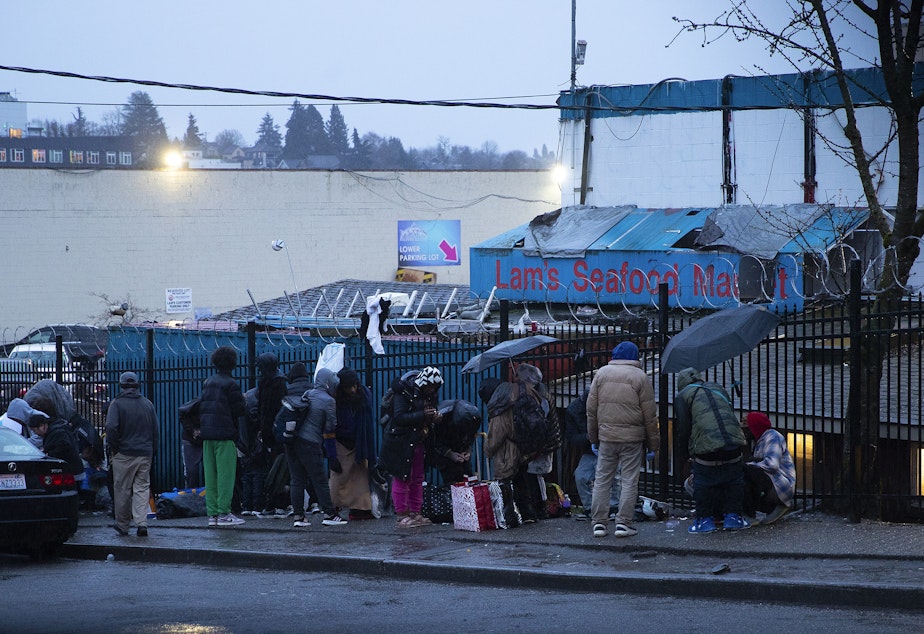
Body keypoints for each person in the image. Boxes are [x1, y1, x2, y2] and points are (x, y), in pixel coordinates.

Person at [586, 341, 659, 538]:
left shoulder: (601, 374)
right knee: (629, 480)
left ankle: (599, 524)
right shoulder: (641, 377)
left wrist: (594, 438)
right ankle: (623, 523)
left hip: (607, 437)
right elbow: (650, 415)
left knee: (602, 480)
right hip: (632, 439)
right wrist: (653, 445)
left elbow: (591, 410)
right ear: (636, 356)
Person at [673, 367, 749, 534]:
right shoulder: (718, 389)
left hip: (706, 447)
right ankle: (733, 517)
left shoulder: (682, 397)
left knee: (703, 483)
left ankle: (705, 521)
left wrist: (685, 453)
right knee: (733, 480)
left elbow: (684, 428)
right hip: (734, 442)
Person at [484, 364, 557, 524]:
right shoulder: (533, 394)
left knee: (505, 482)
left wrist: (488, 450)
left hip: (507, 452)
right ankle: (528, 514)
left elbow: (495, 438)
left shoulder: (502, 407)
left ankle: (509, 518)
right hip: (525, 448)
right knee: (522, 481)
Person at [377, 366, 443, 528]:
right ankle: (402, 515)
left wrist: (435, 417)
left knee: (418, 478)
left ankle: (415, 512)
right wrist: (423, 415)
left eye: (435, 387)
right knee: (402, 477)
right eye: (430, 386)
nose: (432, 390)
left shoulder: (429, 395)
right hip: (401, 442)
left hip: (419, 440)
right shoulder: (403, 392)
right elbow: (399, 417)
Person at [285, 367, 348, 528]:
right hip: (311, 443)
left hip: (293, 441)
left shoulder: (308, 394)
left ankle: (299, 517)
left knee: (297, 479)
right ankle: (329, 514)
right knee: (319, 479)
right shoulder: (329, 401)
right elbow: (330, 426)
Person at [199, 346, 248, 527]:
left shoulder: (207, 382)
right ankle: (224, 513)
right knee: (226, 476)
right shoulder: (231, 384)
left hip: (207, 434)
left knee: (211, 476)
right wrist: (244, 400)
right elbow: (239, 410)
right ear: (233, 363)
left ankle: (212, 514)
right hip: (225, 434)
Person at [105, 371, 158, 537]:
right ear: (137, 385)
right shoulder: (147, 404)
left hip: (124, 453)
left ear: (121, 385)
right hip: (145, 453)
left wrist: (115, 448)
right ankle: (142, 523)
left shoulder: (117, 404)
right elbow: (155, 431)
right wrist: (152, 450)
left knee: (123, 489)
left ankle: (123, 525)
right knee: (142, 488)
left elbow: (111, 428)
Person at [564, 389, 620, 520]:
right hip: (592, 449)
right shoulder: (574, 410)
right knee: (581, 476)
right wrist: (588, 438)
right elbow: (571, 437)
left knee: (613, 476)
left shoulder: (575, 409)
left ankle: (613, 507)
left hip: (605, 447)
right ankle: (591, 508)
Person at [332, 367, 377, 520]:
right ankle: (334, 507)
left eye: (353, 386)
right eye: (348, 387)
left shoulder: (358, 395)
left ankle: (360, 509)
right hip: (345, 439)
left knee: (359, 477)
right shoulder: (360, 395)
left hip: (356, 439)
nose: (351, 390)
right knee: (340, 477)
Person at [744, 411, 796, 525]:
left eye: (748, 428)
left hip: (781, 485)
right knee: (745, 474)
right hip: (774, 483)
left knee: (747, 472)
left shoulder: (773, 437)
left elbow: (772, 464)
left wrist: (747, 465)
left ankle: (753, 513)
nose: (746, 432)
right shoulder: (760, 440)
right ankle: (759, 510)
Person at [255, 352, 289, 517]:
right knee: (274, 468)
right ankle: (274, 503)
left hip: (274, 430)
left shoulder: (276, 382)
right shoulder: (272, 381)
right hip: (270, 430)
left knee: (277, 469)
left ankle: (277, 503)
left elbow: (269, 407)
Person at [27, 397, 83, 479]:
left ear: (42, 426)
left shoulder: (57, 433)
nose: (35, 434)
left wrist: (49, 454)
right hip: (70, 469)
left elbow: (64, 447)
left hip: (71, 471)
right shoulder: (55, 429)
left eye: (34, 430)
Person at [428, 399, 481, 485]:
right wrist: (449, 453)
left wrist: (468, 450)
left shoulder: (474, 418)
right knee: (453, 481)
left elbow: (471, 435)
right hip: (444, 452)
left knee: (468, 478)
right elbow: (433, 441)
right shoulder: (441, 416)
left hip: (461, 450)